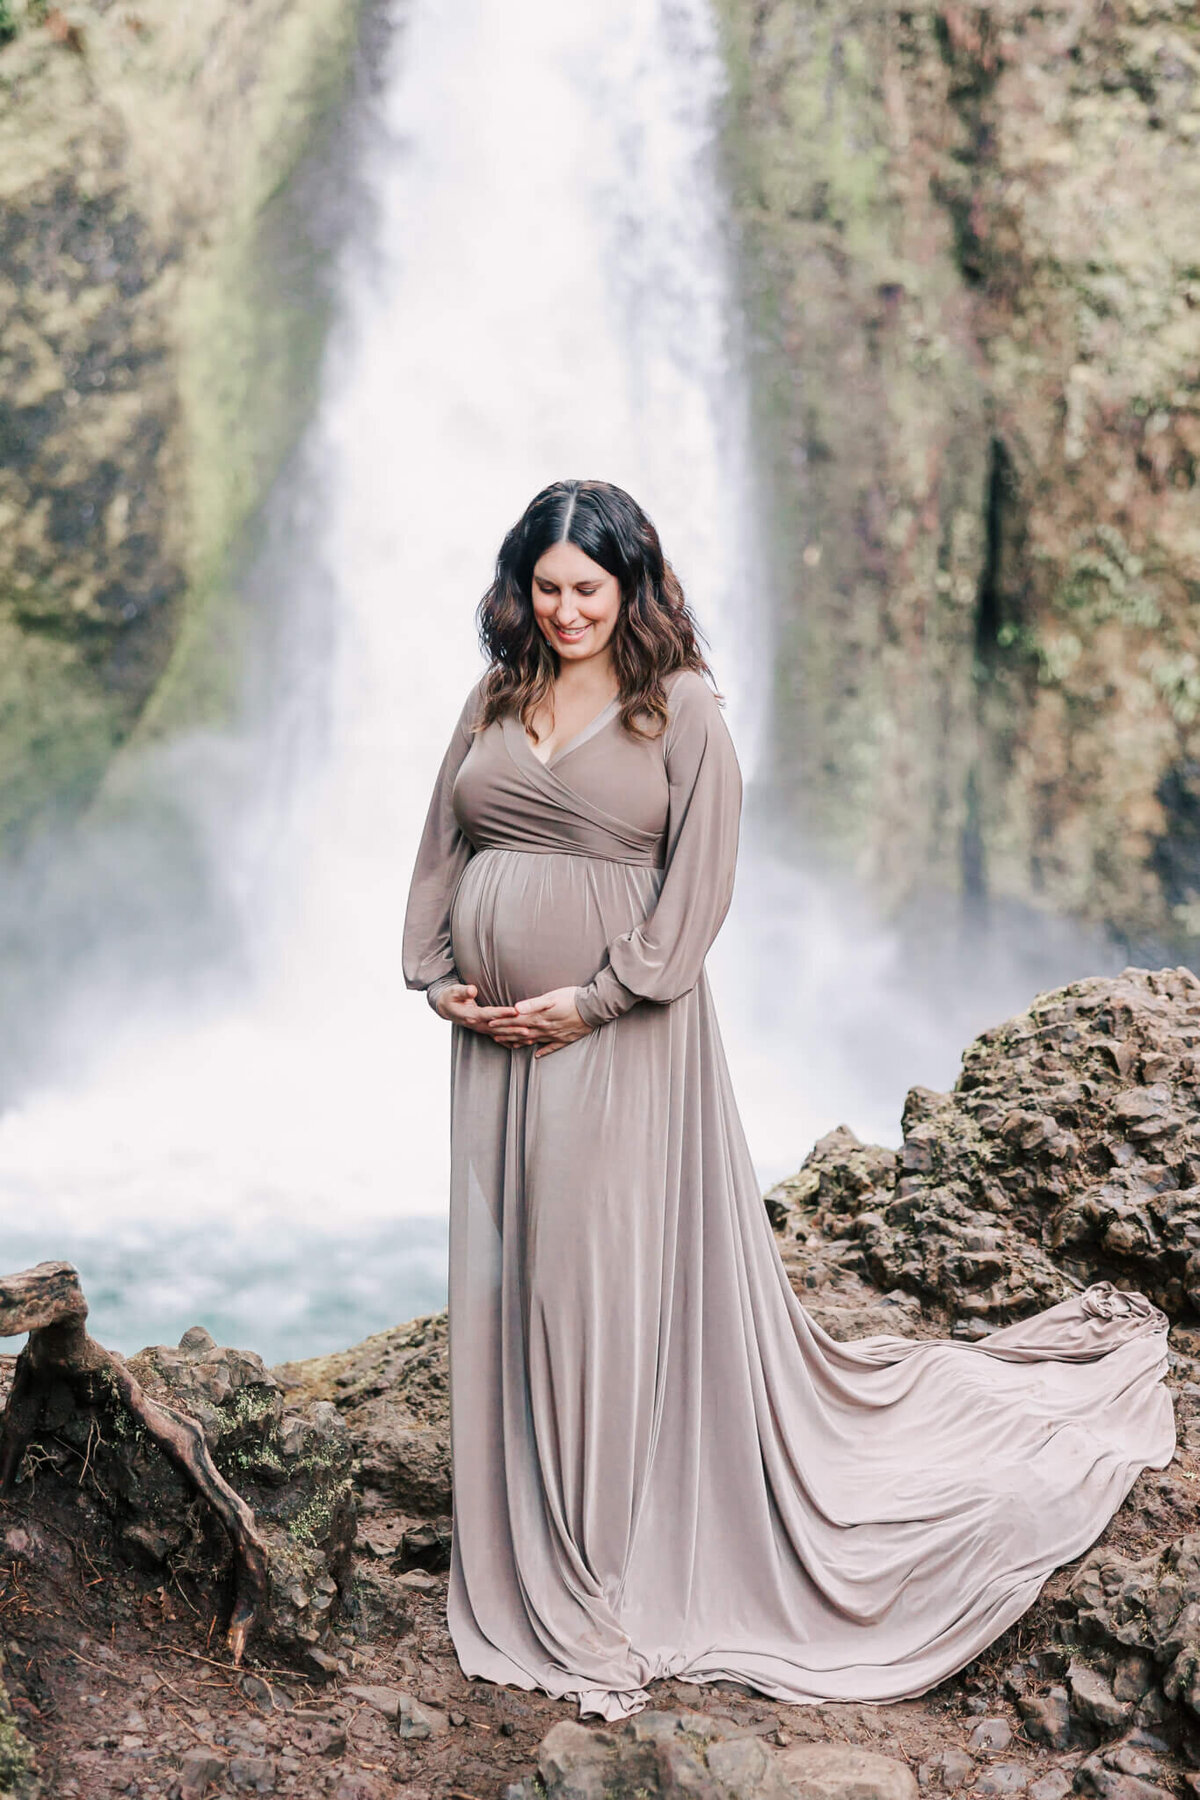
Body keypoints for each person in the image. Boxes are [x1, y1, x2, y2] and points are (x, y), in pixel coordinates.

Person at [402, 478, 1175, 1725]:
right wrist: (434, 973)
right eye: (544, 589)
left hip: (612, 1038)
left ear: (633, 587)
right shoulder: (497, 693)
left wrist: (594, 1001)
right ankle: (525, 1528)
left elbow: (697, 897)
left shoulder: (683, 710)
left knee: (588, 1287)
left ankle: (600, 1572)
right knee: (512, 1277)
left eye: (587, 590)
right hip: (492, 1046)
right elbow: (446, 841)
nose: (564, 611)